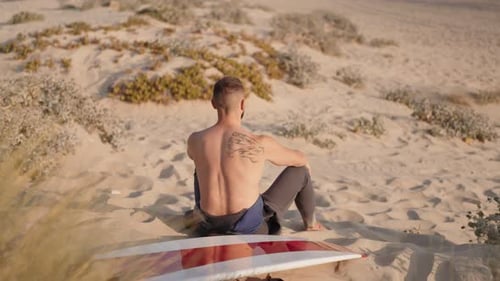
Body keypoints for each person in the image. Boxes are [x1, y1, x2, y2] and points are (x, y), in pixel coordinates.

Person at [186, 76, 322, 236]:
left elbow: (196, 160)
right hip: (248, 228)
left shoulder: (195, 140)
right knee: (301, 172)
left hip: (208, 224)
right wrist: (305, 163)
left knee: (201, 164)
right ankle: (311, 224)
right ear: (242, 104)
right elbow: (300, 159)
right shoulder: (259, 142)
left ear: (213, 103)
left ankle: (198, 214)